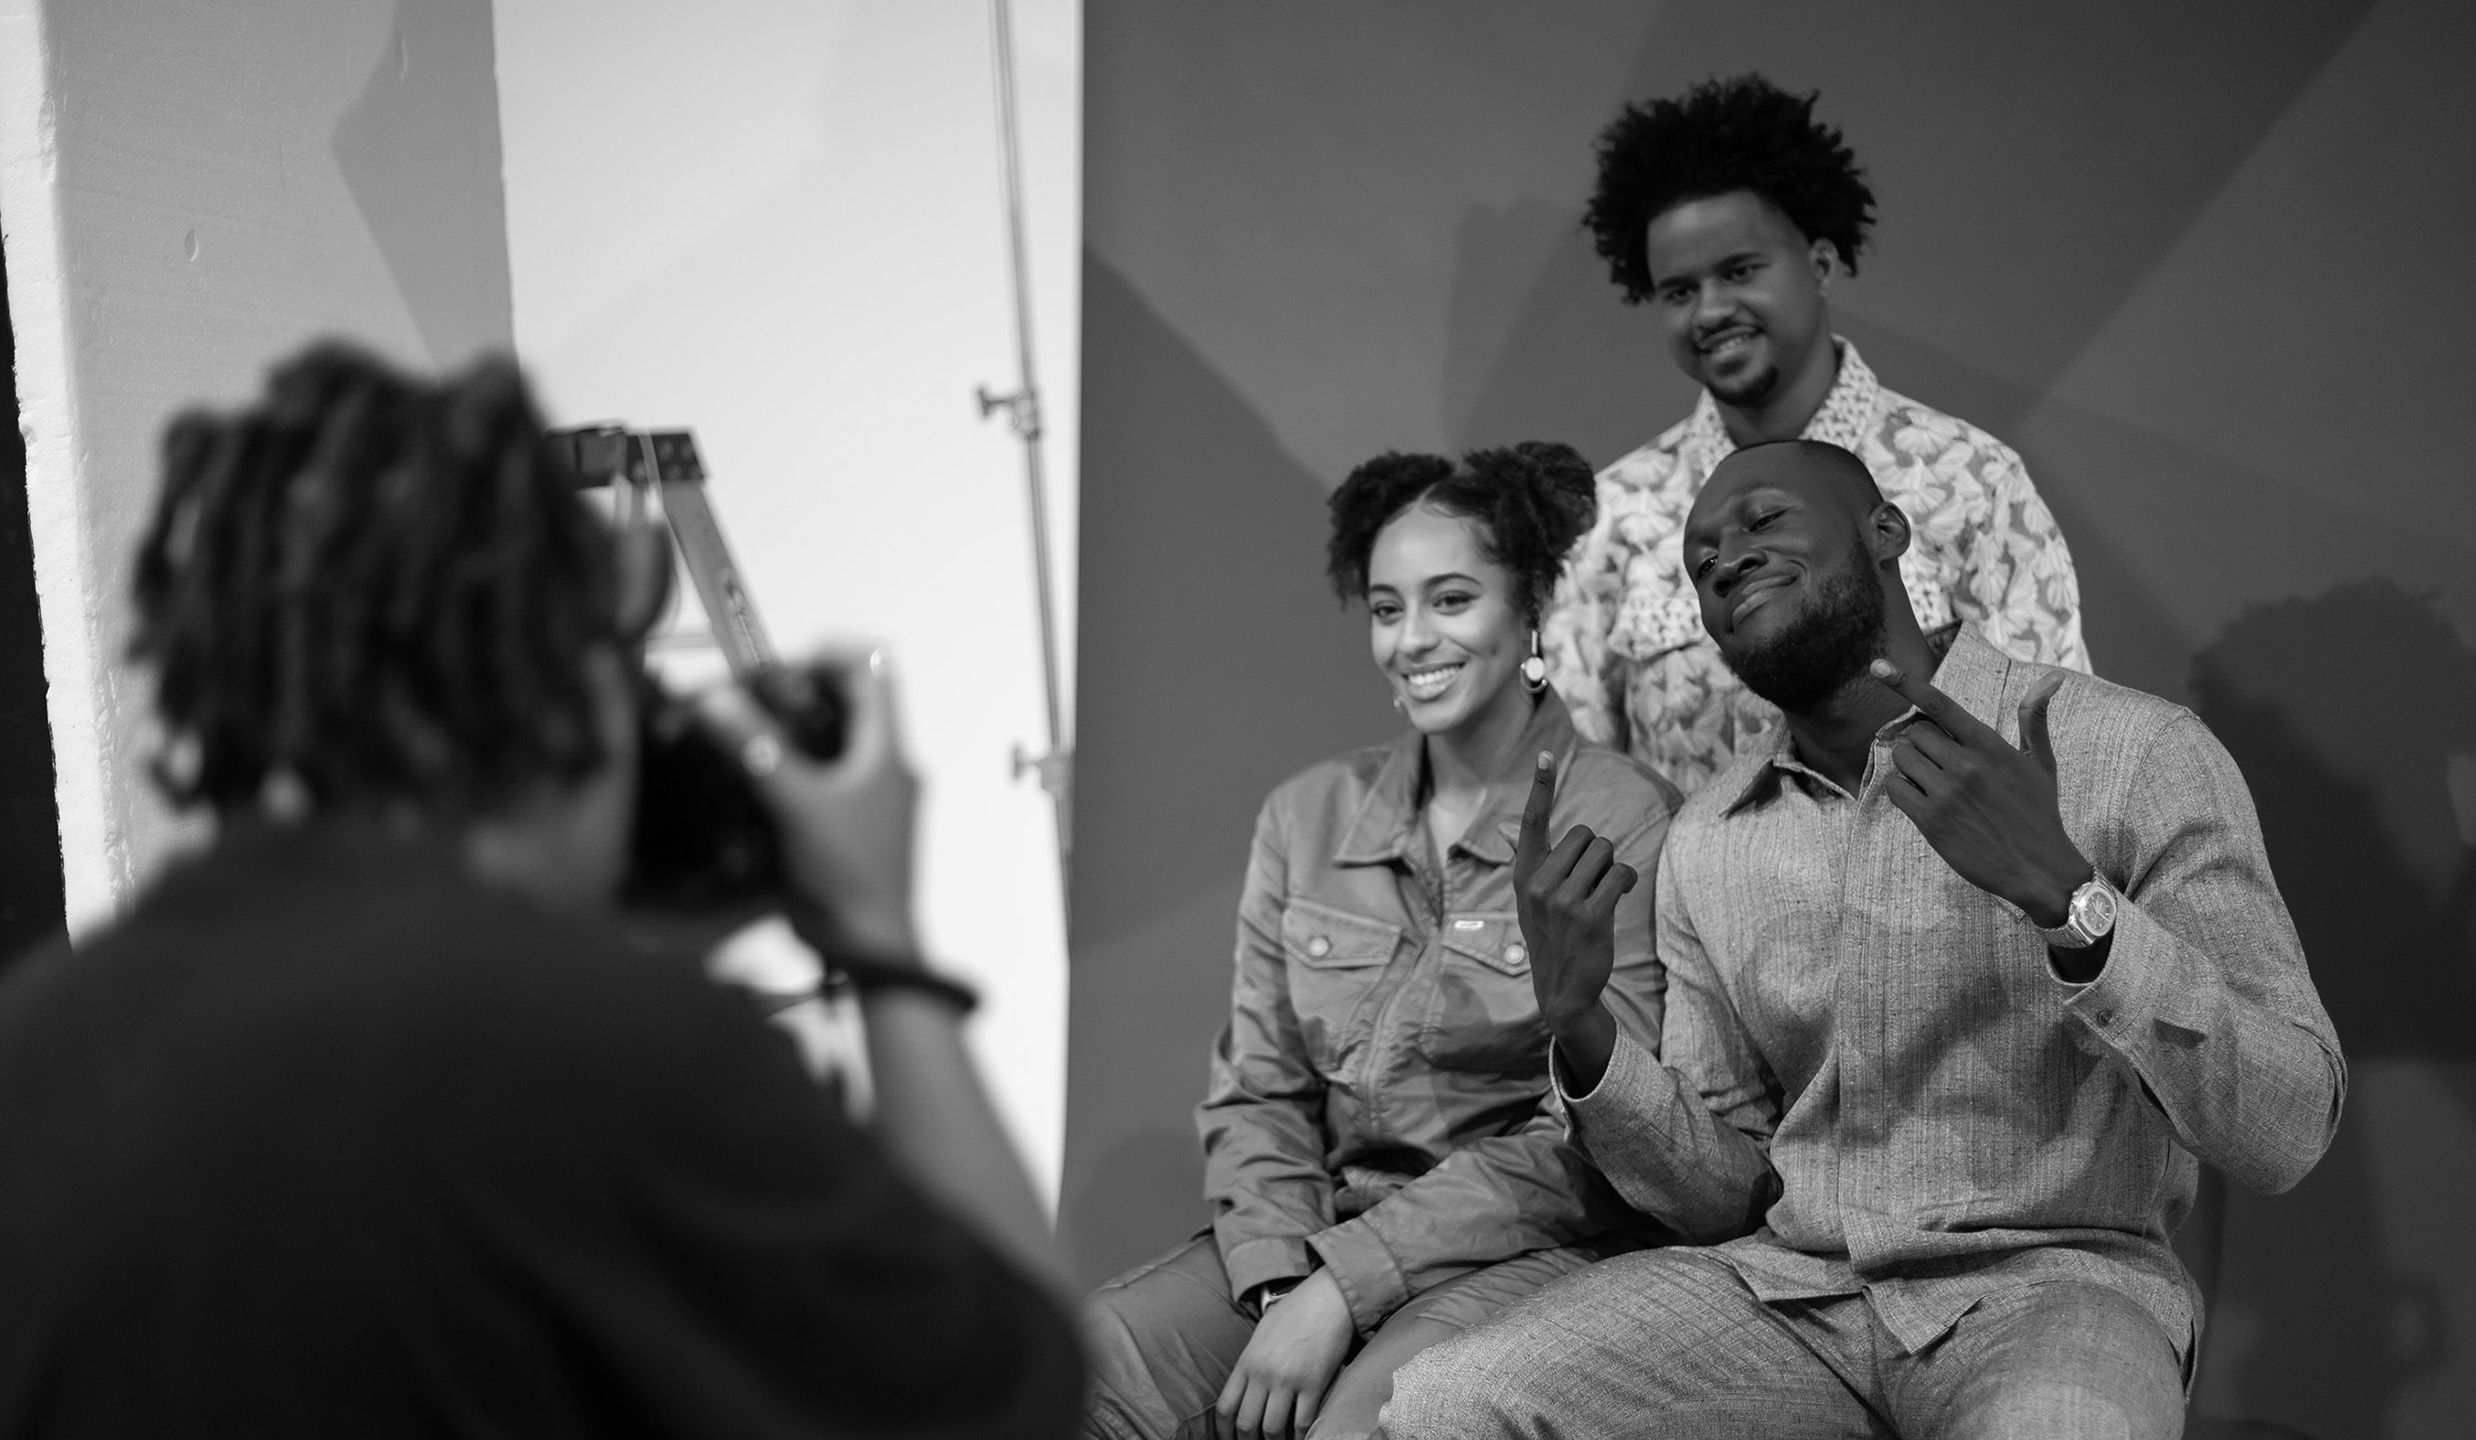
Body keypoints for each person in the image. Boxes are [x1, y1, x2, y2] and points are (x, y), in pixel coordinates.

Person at [0, 344, 1083, 1437]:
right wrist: (879, 939)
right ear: (561, 679)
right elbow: (1015, 1396)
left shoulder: (41, 1039)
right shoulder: (620, 1054)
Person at [1381, 440, 2344, 1439]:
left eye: (1762, 522)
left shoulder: (2128, 752)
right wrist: (1580, 1027)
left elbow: (2285, 1125)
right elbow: (1722, 1195)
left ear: (1885, 530)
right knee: (1452, 1403)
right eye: (1700, 557)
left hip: (2055, 1288)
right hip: (1790, 1297)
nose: (1724, 560)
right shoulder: (1710, 838)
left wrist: (2067, 900)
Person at [1081, 443, 1682, 1440]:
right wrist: (1282, 1280)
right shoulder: (1306, 815)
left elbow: (1590, 1137)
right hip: (1318, 1228)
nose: (1411, 639)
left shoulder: (1620, 817)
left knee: (1368, 1427)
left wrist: (1345, 1289)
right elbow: (1259, 1092)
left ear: (1528, 606)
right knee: (1079, 1368)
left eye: (1450, 600)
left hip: (1522, 1249)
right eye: (1387, 607)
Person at [1545, 74, 2090, 794]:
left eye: (1739, 271)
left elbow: (2057, 740)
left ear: (1822, 264)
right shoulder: (1615, 515)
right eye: (1679, 291)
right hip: (1693, 902)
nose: (1710, 310)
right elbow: (1585, 779)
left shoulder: (1969, 477)